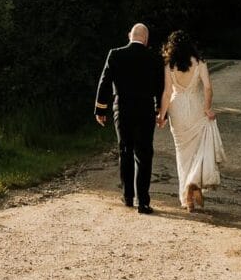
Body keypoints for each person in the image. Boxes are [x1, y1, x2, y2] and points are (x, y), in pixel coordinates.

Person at [94, 22, 162, 214]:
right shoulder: (154, 58)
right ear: (146, 39)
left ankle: (128, 196)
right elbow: (160, 87)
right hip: (145, 110)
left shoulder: (115, 54)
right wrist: (161, 112)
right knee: (144, 153)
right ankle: (143, 202)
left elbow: (104, 82)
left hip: (122, 109)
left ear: (129, 36)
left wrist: (101, 109)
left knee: (125, 150)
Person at [156, 29, 225, 213]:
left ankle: (187, 199)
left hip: (177, 110)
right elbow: (208, 88)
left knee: (182, 155)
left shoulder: (169, 65)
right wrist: (207, 108)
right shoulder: (200, 62)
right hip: (195, 107)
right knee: (198, 150)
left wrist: (161, 116)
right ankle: (193, 185)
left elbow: (167, 93)